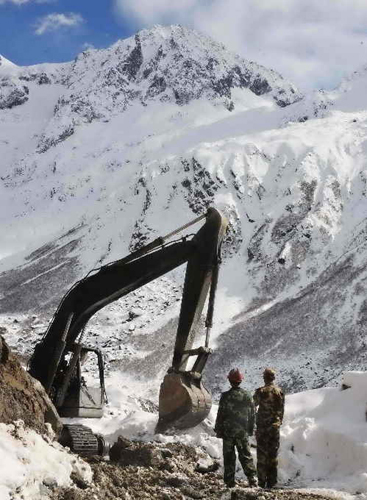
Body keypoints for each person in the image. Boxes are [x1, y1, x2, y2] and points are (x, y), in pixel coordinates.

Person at [214, 368, 257, 488]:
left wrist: (218, 430)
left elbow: (220, 414)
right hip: (242, 432)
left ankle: (229, 482)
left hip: (228, 432)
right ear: (240, 381)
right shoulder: (248, 396)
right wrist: (250, 429)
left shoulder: (225, 396)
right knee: (246, 456)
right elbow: (253, 414)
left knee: (229, 457)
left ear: (230, 381)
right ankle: (252, 479)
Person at [253, 368, 284, 489]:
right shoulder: (280, 391)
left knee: (262, 455)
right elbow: (282, 410)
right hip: (274, 428)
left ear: (264, 378)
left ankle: (261, 482)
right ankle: (272, 482)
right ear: (273, 378)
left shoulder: (261, 391)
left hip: (263, 428)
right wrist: (278, 422)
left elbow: (252, 405)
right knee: (273, 455)